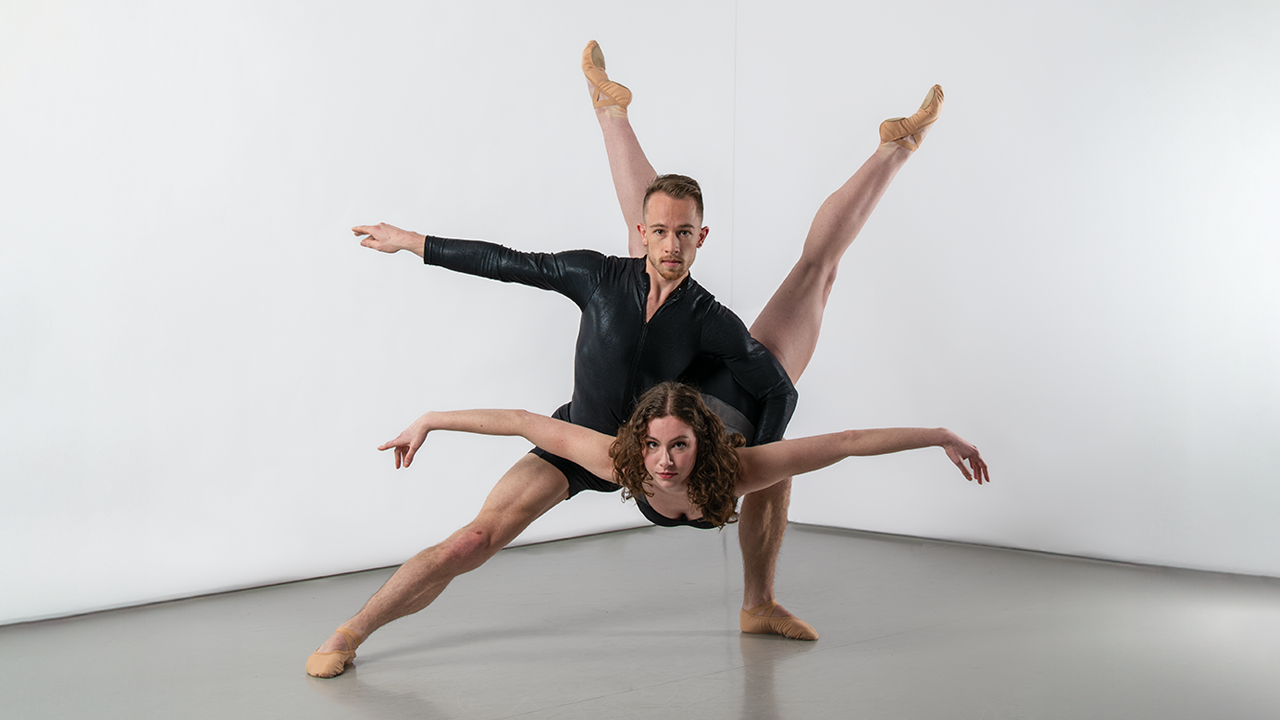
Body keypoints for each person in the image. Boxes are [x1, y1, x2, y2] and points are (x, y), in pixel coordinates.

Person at [306, 42, 945, 677]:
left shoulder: (708, 319)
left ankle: (896, 147)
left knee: (816, 276)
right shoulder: (601, 277)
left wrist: (747, 463)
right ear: (646, 234)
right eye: (660, 232)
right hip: (588, 437)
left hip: (676, 432)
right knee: (474, 539)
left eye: (684, 234)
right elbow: (507, 265)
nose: (671, 244)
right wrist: (414, 242)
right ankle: (350, 631)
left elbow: (778, 389)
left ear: (702, 238)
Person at [378, 381, 989, 531]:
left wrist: (939, 434)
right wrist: (430, 419)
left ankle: (895, 147)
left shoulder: (746, 466)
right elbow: (521, 423)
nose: (662, 463)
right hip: (684, 396)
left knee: (814, 275)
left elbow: (850, 444)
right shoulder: (622, 460)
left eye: (677, 447)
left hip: (746, 397)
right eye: (652, 447)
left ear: (704, 445)